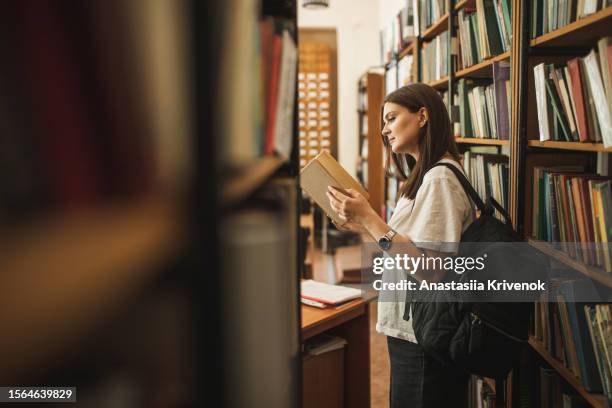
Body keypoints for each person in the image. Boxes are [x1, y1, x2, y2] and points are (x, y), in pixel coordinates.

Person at [326, 83, 476, 407]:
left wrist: (369, 217)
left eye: (392, 118)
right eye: (383, 122)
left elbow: (429, 270)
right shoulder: (422, 178)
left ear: (422, 116)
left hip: (423, 334)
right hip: (412, 330)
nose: (384, 130)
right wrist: (359, 222)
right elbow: (401, 248)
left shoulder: (440, 179)